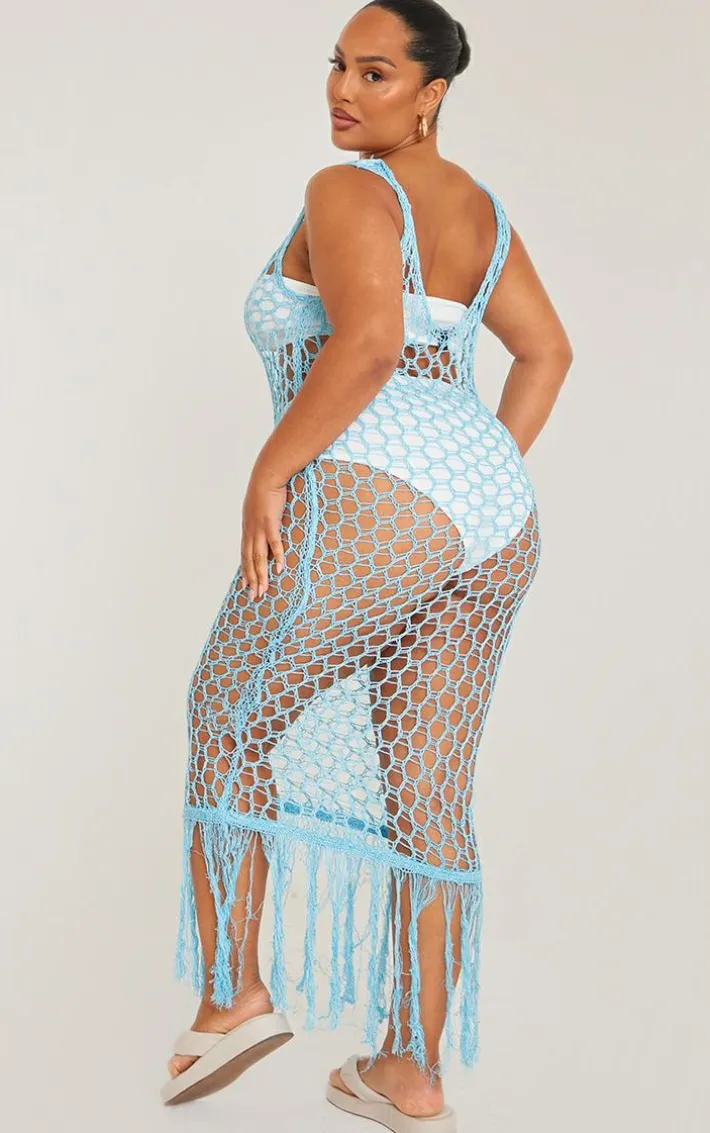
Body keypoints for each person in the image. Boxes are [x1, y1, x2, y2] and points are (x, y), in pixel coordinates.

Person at [160, 1, 573, 1127]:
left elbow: (372, 343)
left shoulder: (346, 189)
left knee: (226, 710)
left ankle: (232, 995)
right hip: (496, 511)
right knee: (428, 791)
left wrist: (270, 467)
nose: (344, 90)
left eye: (376, 72)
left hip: (381, 483)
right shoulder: (480, 211)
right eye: (339, 65)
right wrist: (472, 474)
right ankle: (411, 1069)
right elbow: (545, 351)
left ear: (431, 93)